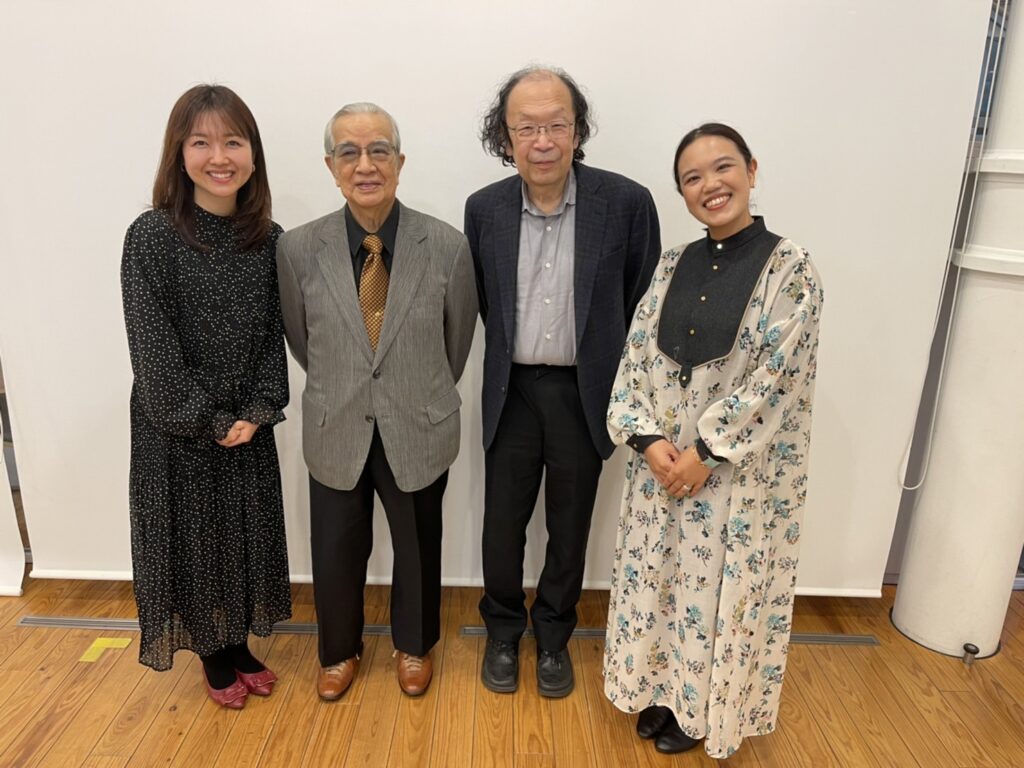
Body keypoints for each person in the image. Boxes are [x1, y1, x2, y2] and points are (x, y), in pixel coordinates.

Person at [603, 123, 824, 757]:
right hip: (663, 467)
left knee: (718, 593)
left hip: (733, 475)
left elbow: (779, 375)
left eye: (722, 168)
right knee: (664, 584)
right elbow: (636, 356)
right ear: (682, 193)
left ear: (752, 170)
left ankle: (703, 711)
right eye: (693, 178)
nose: (711, 185)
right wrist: (647, 441)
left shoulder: (791, 268)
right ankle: (660, 690)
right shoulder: (673, 263)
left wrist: (705, 453)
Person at [465, 66, 661, 698]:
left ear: (578, 131)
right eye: (527, 127)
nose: (542, 140)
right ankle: (502, 631)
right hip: (512, 390)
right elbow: (486, 305)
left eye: (557, 125)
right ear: (506, 137)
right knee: (502, 524)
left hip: (586, 394)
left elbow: (641, 305)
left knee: (570, 525)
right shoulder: (484, 209)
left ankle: (552, 637)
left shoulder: (627, 203)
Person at [277, 103, 477, 700]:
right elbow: (300, 336)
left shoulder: (445, 245)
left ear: (399, 161)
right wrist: (355, 384)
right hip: (336, 422)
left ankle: (414, 646)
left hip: (418, 421)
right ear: (331, 165)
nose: (365, 165)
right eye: (349, 152)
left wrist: (407, 387)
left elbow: (456, 340)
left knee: (418, 545)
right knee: (337, 548)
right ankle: (338, 652)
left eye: (378, 150)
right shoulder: (297, 249)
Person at [121, 84, 291, 709]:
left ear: (252, 154)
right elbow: (151, 346)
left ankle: (239, 642)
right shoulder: (152, 236)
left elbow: (275, 335)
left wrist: (258, 411)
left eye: (233, 141)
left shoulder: (268, 239)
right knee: (194, 542)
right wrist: (210, 418)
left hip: (247, 426)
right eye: (202, 142)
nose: (219, 156)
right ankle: (214, 655)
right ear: (179, 153)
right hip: (179, 427)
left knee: (242, 538)